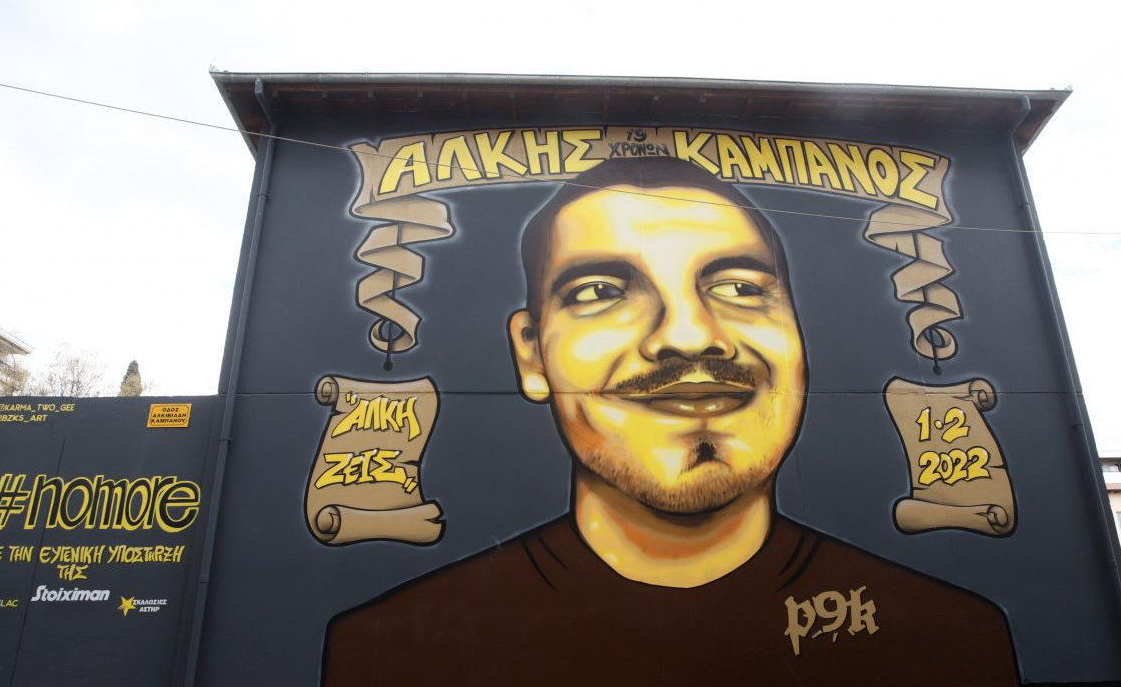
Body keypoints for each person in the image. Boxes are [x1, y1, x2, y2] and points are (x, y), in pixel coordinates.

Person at [322, 157, 1018, 686]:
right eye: (601, 291)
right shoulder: (387, 654)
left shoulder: (957, 643)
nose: (688, 335)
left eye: (739, 287)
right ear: (531, 355)